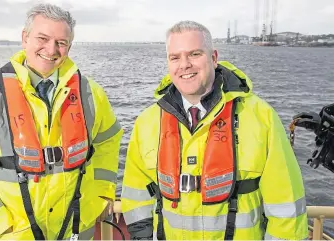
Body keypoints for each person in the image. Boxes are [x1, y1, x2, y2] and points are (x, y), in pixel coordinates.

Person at [0, 3, 123, 241]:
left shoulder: (91, 94)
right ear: (25, 38)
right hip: (14, 233)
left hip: (75, 228)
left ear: (69, 47)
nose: (51, 49)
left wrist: (102, 194)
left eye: (61, 43)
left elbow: (108, 142)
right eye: (42, 38)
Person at [121, 21, 308, 240]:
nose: (184, 65)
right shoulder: (147, 122)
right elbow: (137, 195)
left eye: (194, 54)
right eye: (175, 57)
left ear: (214, 57)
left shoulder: (261, 117)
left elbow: (286, 205)